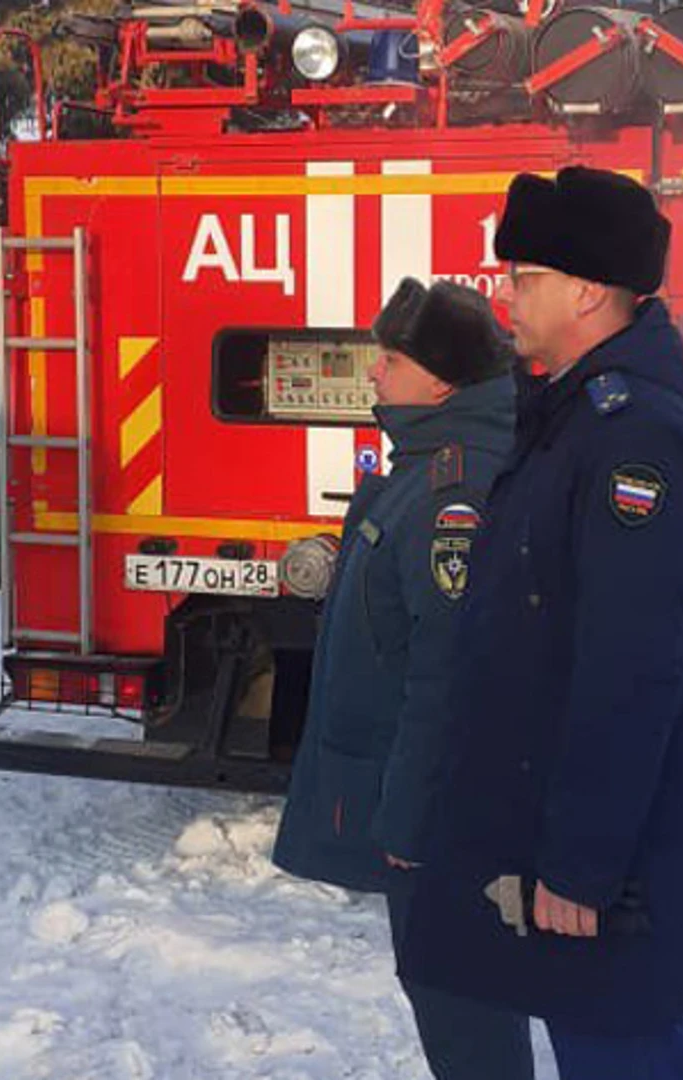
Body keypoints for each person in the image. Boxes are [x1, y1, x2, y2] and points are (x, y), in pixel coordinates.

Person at [394, 166, 683, 1079]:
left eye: (525, 277)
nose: (506, 295)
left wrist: (582, 865)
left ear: (588, 290)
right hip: (551, 841)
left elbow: (632, 669)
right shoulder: (571, 414)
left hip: (606, 875)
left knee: (621, 1047)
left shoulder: (633, 440)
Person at [270, 277, 531, 1079]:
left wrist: (412, 822)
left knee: (463, 1011)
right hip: (428, 812)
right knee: (449, 1004)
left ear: (442, 379)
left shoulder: (454, 491)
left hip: (444, 825)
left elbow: (447, 674)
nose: (374, 374)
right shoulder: (425, 466)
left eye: (390, 359)